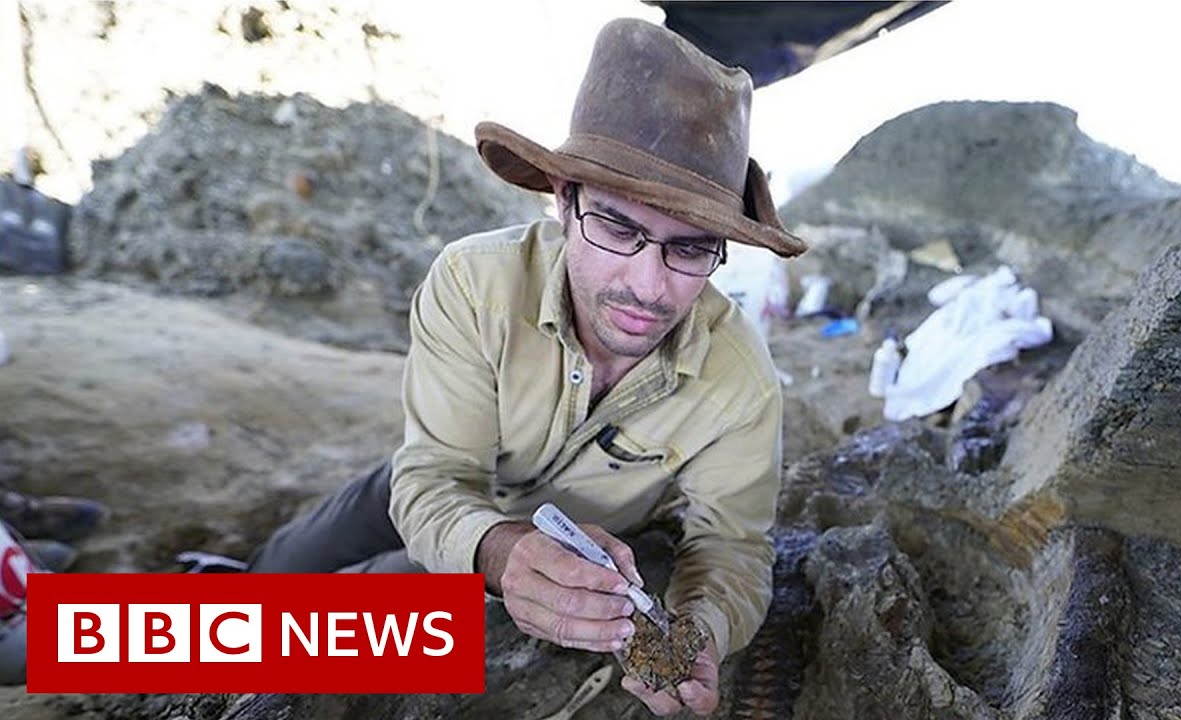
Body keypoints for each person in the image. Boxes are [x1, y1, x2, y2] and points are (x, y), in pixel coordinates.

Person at [245, 18, 805, 716]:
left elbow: (732, 546)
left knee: (319, 629)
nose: (649, 286)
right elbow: (430, 479)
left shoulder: (740, 380)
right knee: (276, 571)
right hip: (447, 481)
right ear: (563, 201)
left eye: (690, 250)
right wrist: (498, 549)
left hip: (576, 548)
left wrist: (700, 632)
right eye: (616, 226)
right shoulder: (475, 284)